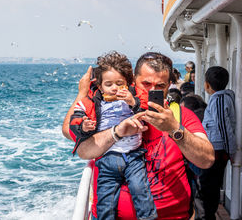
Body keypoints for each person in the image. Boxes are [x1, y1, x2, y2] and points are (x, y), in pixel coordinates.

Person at [62, 52, 215, 220]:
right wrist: (84, 95)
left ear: (169, 85)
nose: (152, 90)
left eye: (160, 86)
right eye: (146, 84)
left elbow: (206, 159)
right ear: (133, 81)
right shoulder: (108, 112)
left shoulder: (181, 115)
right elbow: (76, 140)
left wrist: (173, 128)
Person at [69, 51, 157, 220]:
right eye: (109, 84)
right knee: (105, 200)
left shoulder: (134, 97)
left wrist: (133, 102)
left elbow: (148, 112)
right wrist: (84, 126)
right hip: (107, 158)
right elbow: (74, 121)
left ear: (128, 83)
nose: (115, 88)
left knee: (141, 190)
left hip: (133, 157)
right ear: (100, 86)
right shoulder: (91, 102)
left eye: (120, 83)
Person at [194, 66, 237, 220]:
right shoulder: (221, 98)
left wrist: (231, 152)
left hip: (217, 150)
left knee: (206, 186)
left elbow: (224, 127)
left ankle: (206, 216)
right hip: (218, 150)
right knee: (209, 185)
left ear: (207, 85)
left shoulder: (219, 99)